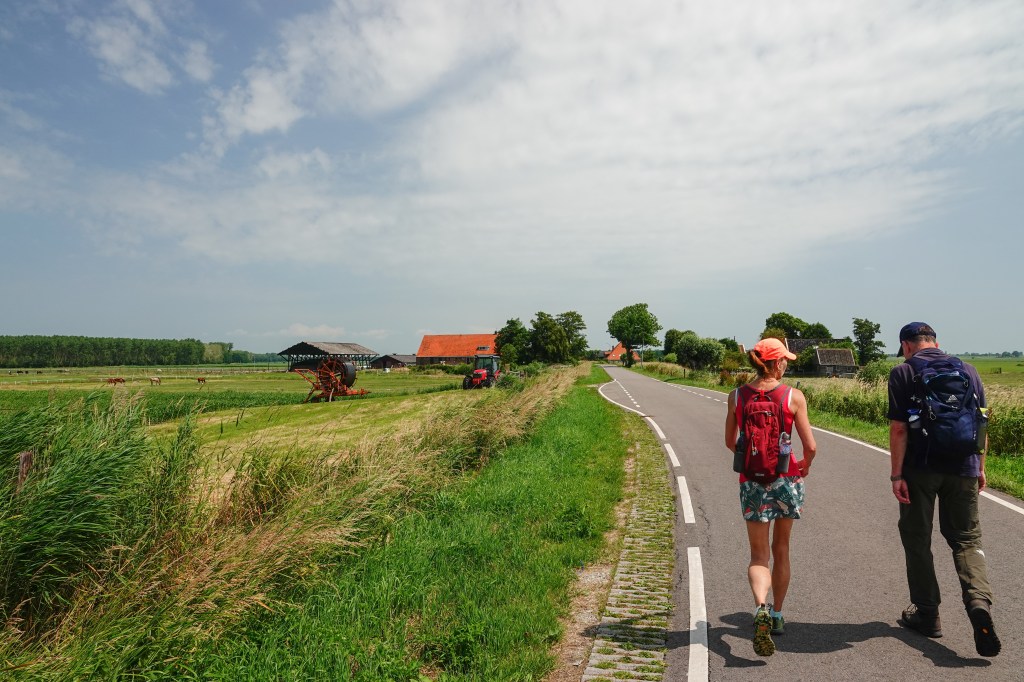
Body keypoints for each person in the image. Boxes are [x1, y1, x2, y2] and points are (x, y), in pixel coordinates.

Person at [888, 322, 1000, 657]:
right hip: (963, 467)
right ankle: (978, 602)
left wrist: (897, 475)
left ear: (906, 345)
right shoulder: (969, 370)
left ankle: (927, 613)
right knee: (966, 539)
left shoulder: (904, 372)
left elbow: (899, 429)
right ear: (936, 343)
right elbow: (982, 421)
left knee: (917, 539)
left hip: (920, 469)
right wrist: (980, 467)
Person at [724, 337, 817, 657]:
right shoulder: (793, 396)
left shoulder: (736, 396)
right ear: (776, 363)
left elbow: (730, 441)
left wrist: (754, 461)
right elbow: (811, 446)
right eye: (785, 360)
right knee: (782, 549)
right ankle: (776, 615)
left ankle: (760, 606)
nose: (786, 364)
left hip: (752, 482)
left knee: (758, 556)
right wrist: (803, 465)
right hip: (786, 480)